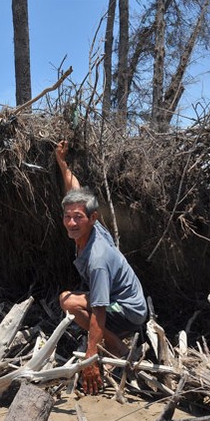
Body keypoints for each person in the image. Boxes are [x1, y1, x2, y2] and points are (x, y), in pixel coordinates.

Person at [55, 140, 148, 395]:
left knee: (69, 303)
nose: (71, 223)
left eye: (78, 218)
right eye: (67, 216)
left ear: (92, 218)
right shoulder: (92, 227)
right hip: (123, 302)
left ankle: (118, 346)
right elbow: (75, 192)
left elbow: (99, 311)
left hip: (130, 311)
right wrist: (62, 163)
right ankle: (113, 341)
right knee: (68, 298)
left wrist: (90, 357)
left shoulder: (97, 259)